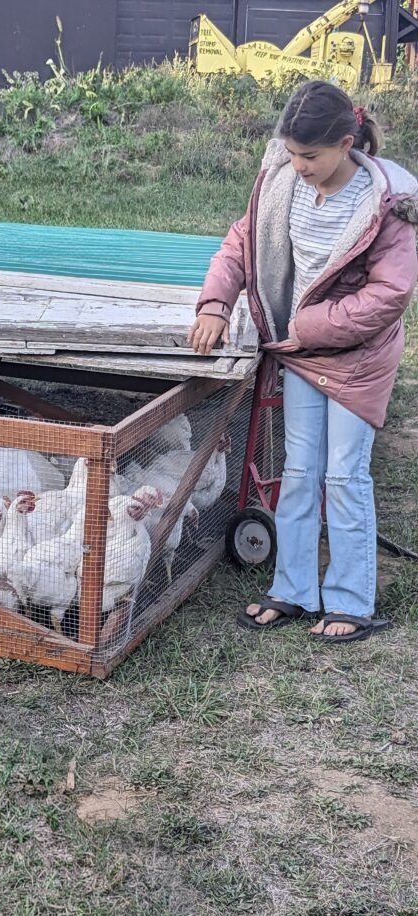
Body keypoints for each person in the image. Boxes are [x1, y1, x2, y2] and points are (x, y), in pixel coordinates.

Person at [188, 80, 418, 643]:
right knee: (298, 471)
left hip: (355, 358)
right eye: (290, 153)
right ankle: (292, 588)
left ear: (346, 143)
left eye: (309, 156)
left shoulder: (385, 203)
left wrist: (306, 328)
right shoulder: (283, 184)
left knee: (343, 475)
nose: (298, 165)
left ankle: (349, 601)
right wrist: (217, 302)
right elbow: (241, 244)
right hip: (298, 353)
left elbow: (389, 295)